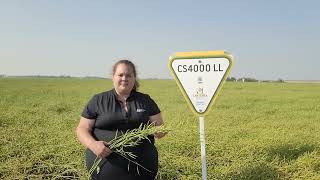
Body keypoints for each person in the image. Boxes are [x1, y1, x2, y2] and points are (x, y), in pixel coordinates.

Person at [76, 60, 165, 180]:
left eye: (129, 75)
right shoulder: (98, 100)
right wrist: (93, 145)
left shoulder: (145, 100)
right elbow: (82, 128)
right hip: (104, 167)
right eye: (120, 75)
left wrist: (160, 131)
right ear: (113, 77)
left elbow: (159, 127)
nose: (125, 78)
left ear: (134, 78)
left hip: (143, 169)